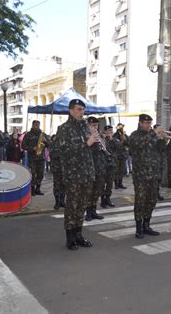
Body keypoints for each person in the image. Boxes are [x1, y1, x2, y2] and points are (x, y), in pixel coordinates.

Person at [55, 99, 97, 250]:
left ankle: (79, 235)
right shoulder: (64, 129)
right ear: (71, 110)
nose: (81, 112)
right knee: (72, 206)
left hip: (87, 173)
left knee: (82, 205)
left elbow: (91, 150)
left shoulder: (86, 128)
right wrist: (86, 143)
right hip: (73, 174)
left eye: (83, 110)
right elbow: (64, 151)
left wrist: (97, 141)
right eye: (79, 109)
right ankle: (70, 238)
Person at [129, 114, 166, 238]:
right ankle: (139, 228)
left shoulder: (153, 136)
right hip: (140, 176)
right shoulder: (135, 135)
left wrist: (162, 138)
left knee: (151, 201)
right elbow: (138, 144)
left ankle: (146, 225)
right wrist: (154, 134)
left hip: (153, 174)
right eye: (146, 123)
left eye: (150, 123)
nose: (148, 125)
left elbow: (161, 150)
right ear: (140, 123)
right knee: (140, 201)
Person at [85, 116, 105, 221]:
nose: (95, 127)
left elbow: (103, 150)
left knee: (97, 191)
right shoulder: (86, 136)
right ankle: (88, 212)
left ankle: (93, 211)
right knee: (90, 191)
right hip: (90, 168)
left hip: (99, 167)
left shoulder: (100, 136)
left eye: (96, 125)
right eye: (93, 125)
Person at [21, 120, 49, 196]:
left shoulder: (43, 134)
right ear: (32, 125)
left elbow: (49, 145)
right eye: (35, 125)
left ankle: (38, 189)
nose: (36, 126)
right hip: (32, 158)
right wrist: (32, 148)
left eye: (38, 125)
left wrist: (46, 141)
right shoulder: (28, 134)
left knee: (40, 174)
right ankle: (32, 190)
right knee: (32, 174)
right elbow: (23, 146)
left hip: (41, 157)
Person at [102, 125, 119, 208]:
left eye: (111, 131)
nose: (110, 132)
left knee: (109, 183)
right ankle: (102, 200)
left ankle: (108, 198)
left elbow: (119, 147)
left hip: (112, 165)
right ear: (105, 131)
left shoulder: (114, 140)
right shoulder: (102, 139)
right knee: (102, 184)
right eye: (108, 130)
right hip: (103, 165)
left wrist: (112, 139)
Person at [49, 135, 65, 210]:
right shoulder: (53, 144)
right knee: (57, 186)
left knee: (64, 185)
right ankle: (57, 202)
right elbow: (52, 154)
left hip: (65, 168)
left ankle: (62, 201)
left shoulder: (65, 142)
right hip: (57, 168)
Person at [113, 123, 128, 189]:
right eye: (120, 127)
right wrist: (121, 141)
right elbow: (116, 144)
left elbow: (128, 143)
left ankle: (120, 183)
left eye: (122, 127)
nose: (122, 128)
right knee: (116, 170)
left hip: (123, 155)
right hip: (117, 155)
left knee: (121, 170)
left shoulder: (124, 135)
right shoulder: (115, 135)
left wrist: (125, 140)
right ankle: (116, 184)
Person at [153, 124, 166, 200]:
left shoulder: (160, 138)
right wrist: (157, 137)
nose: (160, 131)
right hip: (153, 163)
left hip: (160, 162)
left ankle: (157, 193)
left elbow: (163, 148)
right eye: (159, 130)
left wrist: (162, 139)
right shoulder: (151, 137)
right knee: (153, 181)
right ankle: (153, 195)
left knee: (159, 180)